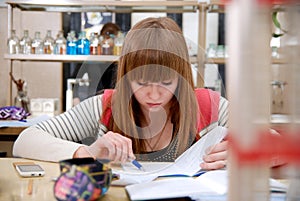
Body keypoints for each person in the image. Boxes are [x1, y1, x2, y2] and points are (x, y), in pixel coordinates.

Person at [13, 17, 229, 170]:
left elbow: (262, 142)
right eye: (141, 82)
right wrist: (88, 152)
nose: (154, 95)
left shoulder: (209, 106)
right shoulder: (104, 106)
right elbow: (25, 140)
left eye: (166, 82)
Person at [72, 22, 120, 105]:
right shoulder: (92, 58)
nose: (108, 41)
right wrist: (75, 97)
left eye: (111, 38)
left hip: (114, 103)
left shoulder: (119, 59)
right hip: (93, 102)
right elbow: (74, 79)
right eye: (106, 37)